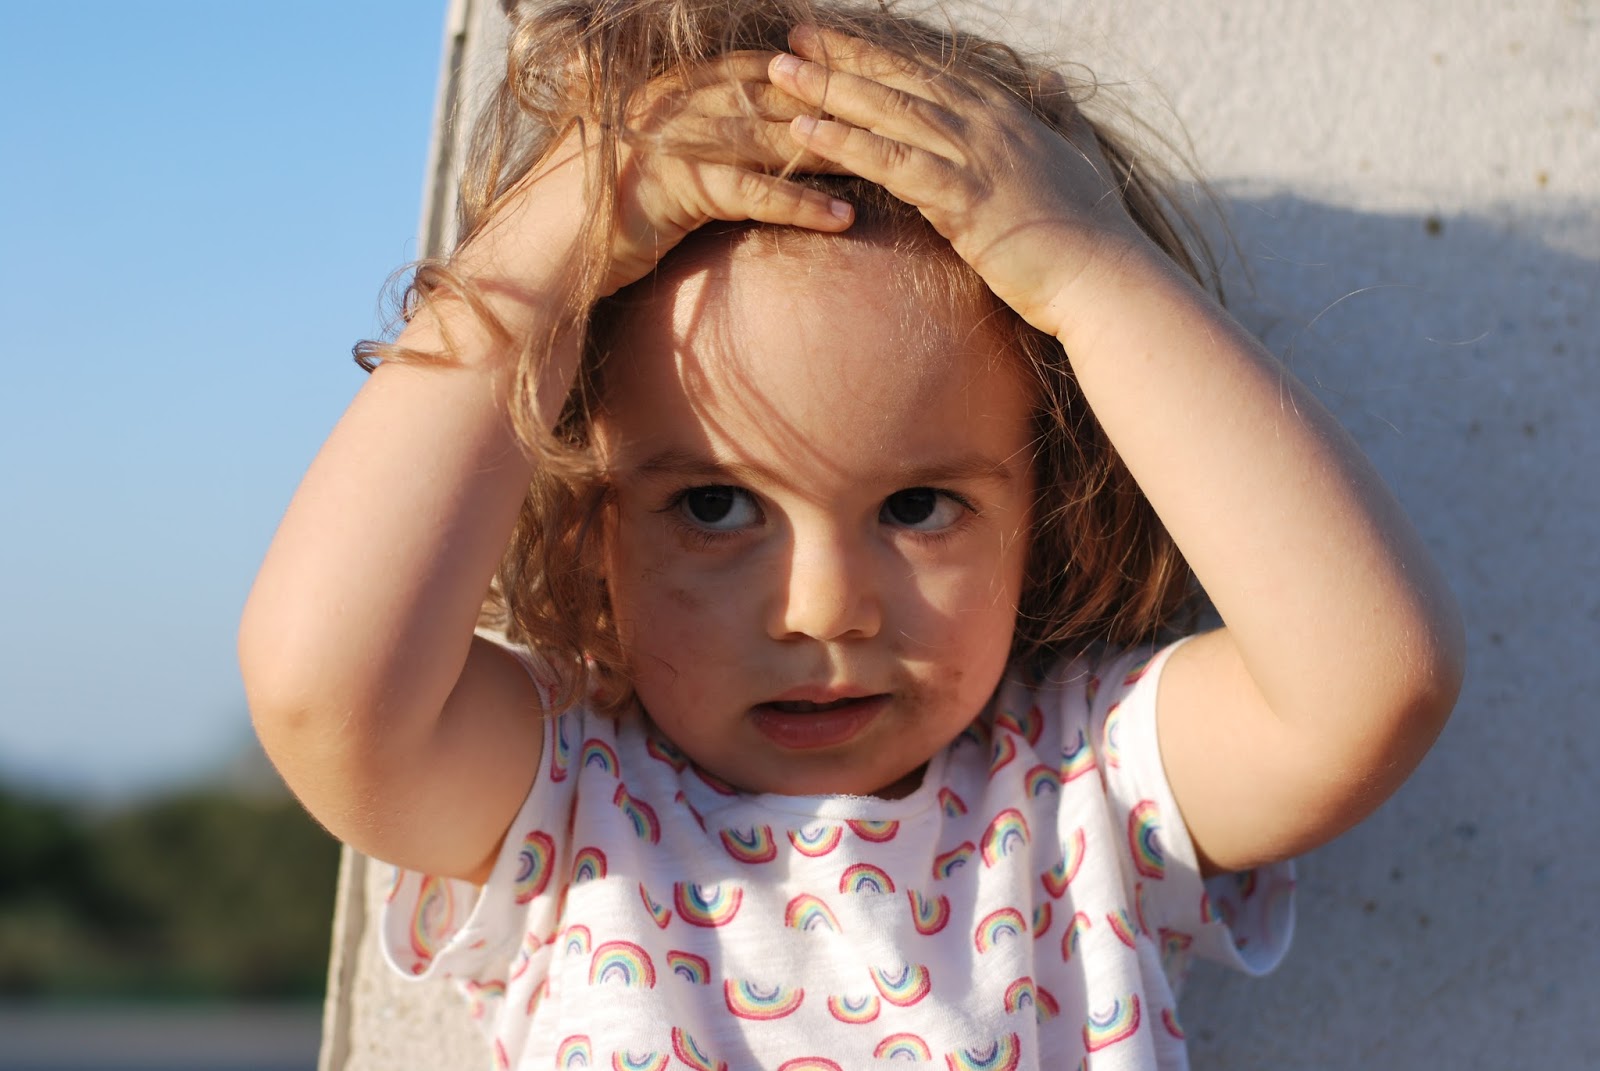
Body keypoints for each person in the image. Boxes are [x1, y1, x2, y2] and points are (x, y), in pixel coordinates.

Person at [239, 1, 1464, 1067]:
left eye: (918, 507)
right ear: (582, 522)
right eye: (713, 506)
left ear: (1049, 505)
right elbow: (322, 690)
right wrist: (549, 245)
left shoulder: (1079, 791)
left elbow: (1369, 684)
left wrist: (1093, 275)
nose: (823, 607)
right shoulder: (567, 799)